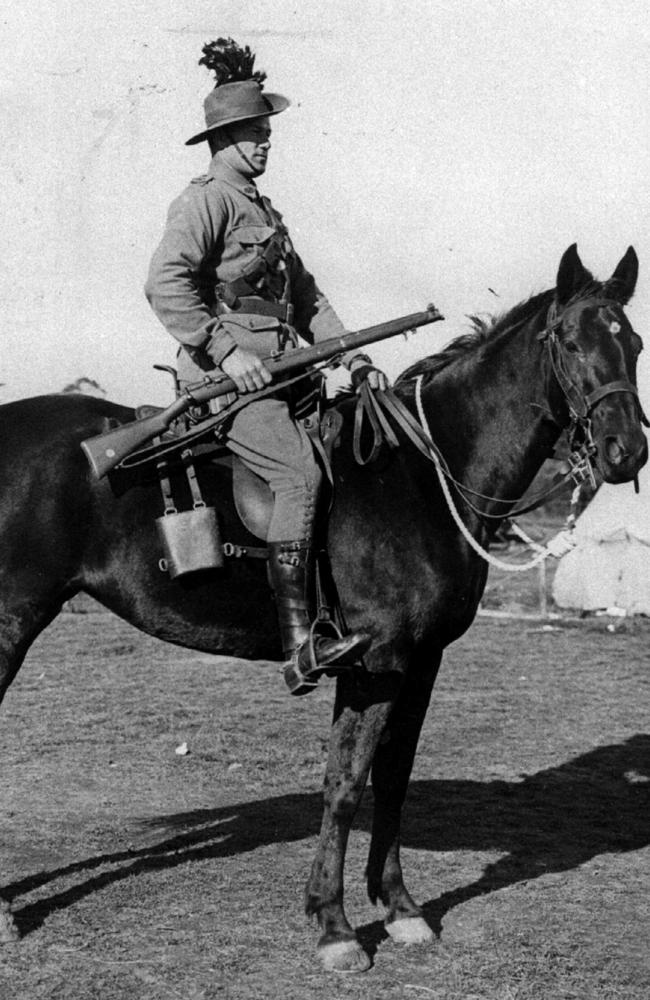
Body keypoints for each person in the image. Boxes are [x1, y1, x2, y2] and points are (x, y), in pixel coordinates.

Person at [145, 39, 388, 694]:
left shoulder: (266, 213)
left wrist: (358, 357)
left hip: (287, 378)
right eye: (252, 133)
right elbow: (166, 284)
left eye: (267, 132)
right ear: (222, 138)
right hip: (229, 385)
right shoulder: (206, 202)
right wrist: (227, 351)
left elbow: (308, 301)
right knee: (303, 476)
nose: (264, 144)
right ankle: (299, 646)